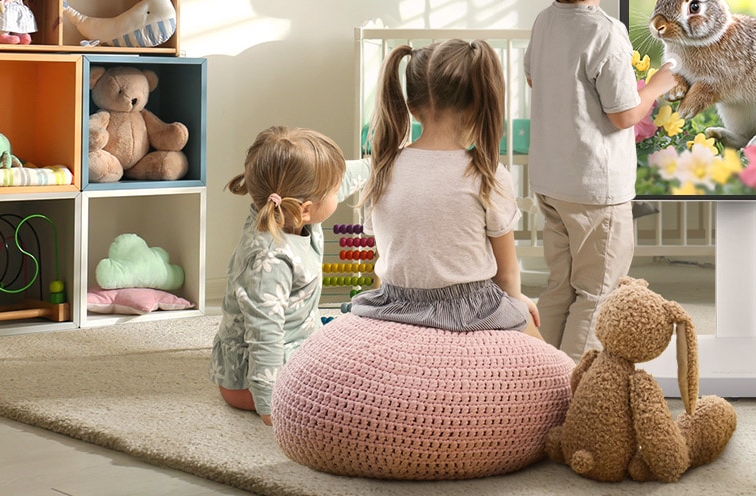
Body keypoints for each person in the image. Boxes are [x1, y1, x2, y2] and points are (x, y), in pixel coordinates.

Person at [519, 0, 679, 359]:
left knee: (560, 286)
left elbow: (535, 77)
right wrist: (658, 84)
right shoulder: (606, 31)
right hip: (596, 190)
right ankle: (573, 386)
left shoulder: (546, 22)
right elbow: (624, 114)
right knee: (598, 292)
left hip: (551, 182)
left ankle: (539, 374)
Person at [347, 38, 541, 339]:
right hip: (472, 310)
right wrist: (517, 302)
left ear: (411, 108)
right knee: (553, 358)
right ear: (478, 104)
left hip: (393, 304)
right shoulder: (487, 174)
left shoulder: (382, 169)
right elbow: (506, 276)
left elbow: (390, 258)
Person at [210, 126, 369, 425]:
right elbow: (264, 335)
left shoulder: (286, 211)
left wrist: (384, 163)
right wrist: (269, 404)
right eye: (334, 191)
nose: (340, 191)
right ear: (306, 209)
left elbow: (347, 176)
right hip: (252, 381)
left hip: (297, 348)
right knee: (352, 391)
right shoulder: (268, 261)